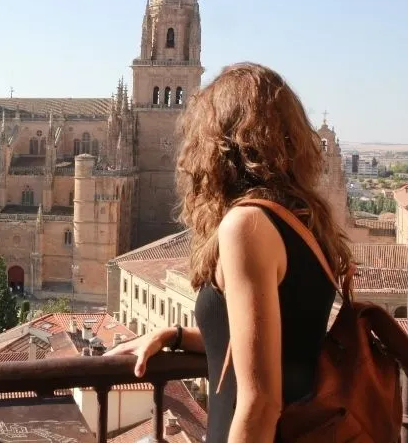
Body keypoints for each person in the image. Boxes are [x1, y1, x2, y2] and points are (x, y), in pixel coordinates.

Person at [106, 62, 352, 443]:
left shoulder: (247, 226)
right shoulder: (305, 220)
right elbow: (276, 345)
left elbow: (260, 402)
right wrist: (173, 335)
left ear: (219, 140)